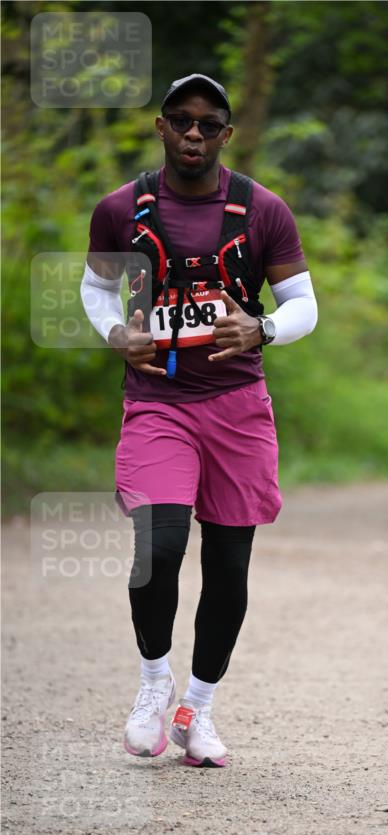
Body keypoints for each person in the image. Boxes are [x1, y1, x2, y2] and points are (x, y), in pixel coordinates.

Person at [80, 74, 317, 766]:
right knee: (157, 548)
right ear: (160, 127)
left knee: (228, 562)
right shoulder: (120, 209)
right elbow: (95, 288)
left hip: (238, 408)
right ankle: (154, 683)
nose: (193, 133)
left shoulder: (263, 210)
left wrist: (262, 328)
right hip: (157, 402)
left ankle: (198, 709)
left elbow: (304, 305)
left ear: (225, 135)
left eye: (208, 124)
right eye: (181, 120)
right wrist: (115, 333)